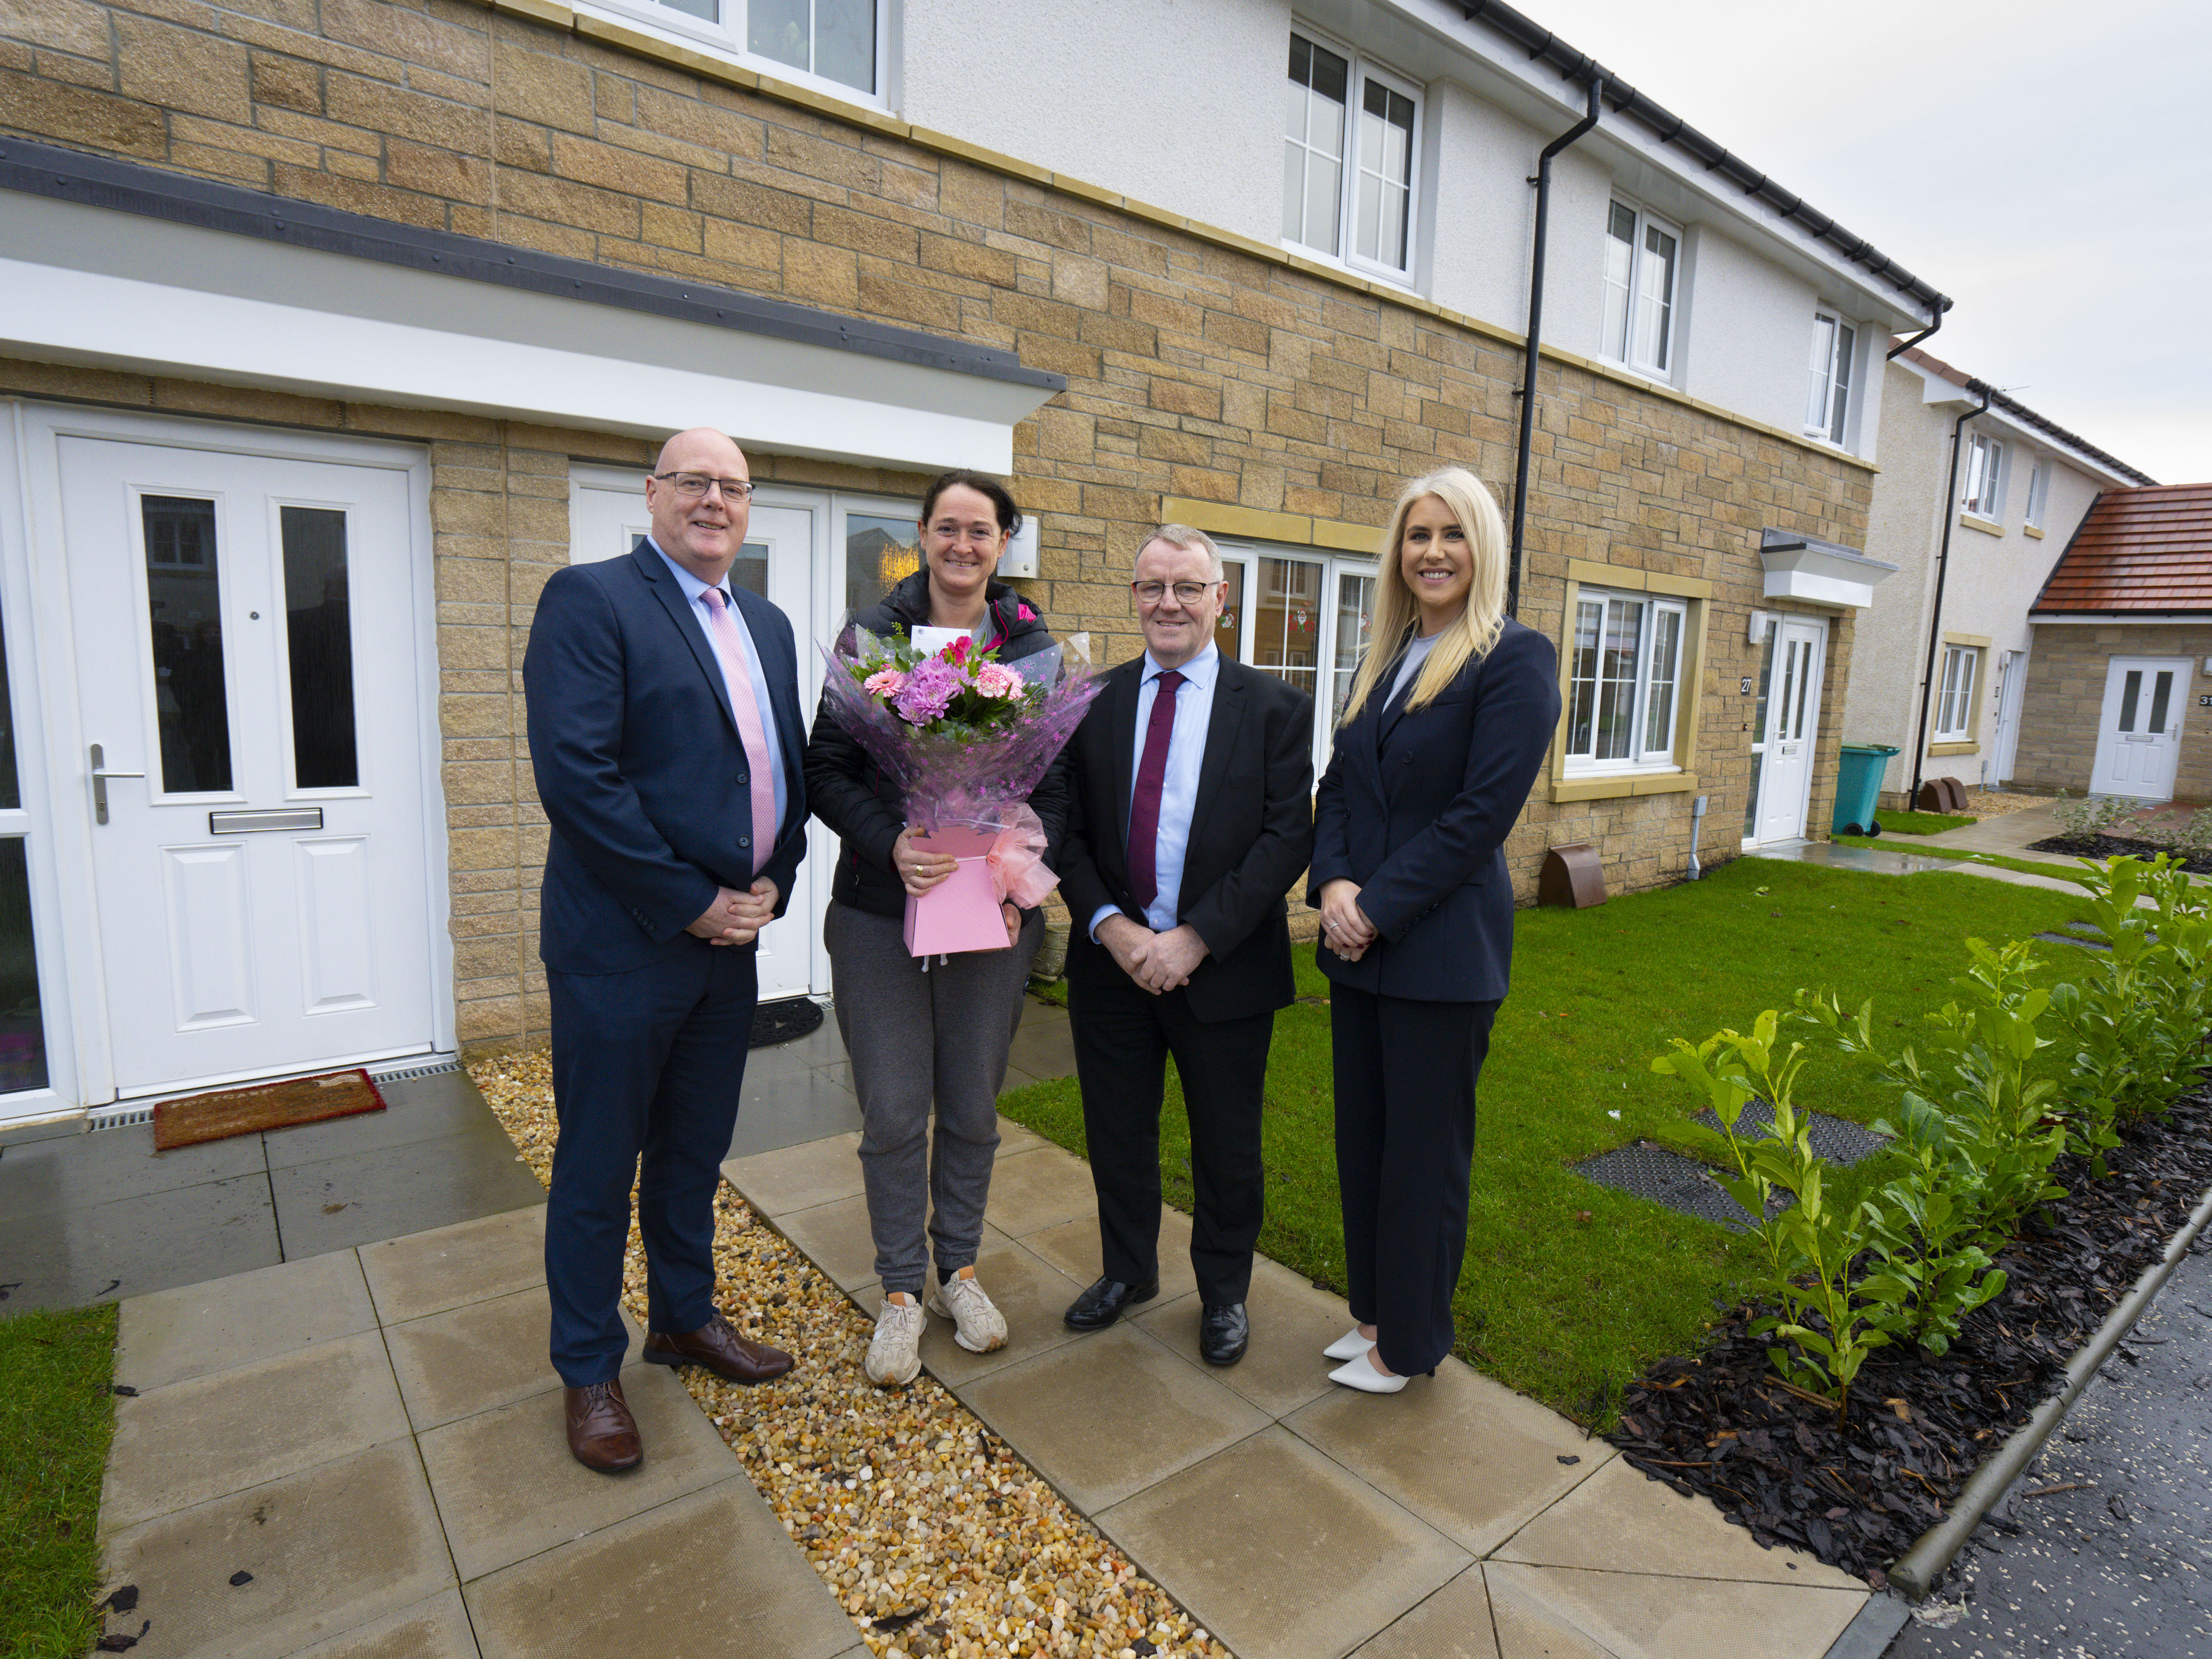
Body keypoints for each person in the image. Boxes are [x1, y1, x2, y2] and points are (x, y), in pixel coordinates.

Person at [523, 427, 808, 1470]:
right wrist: (691, 899)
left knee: (693, 1150)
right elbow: (578, 777)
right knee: (599, 1162)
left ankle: (685, 1316)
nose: (715, 501)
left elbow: (782, 763)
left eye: (733, 486)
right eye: (694, 481)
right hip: (623, 943)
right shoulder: (591, 600)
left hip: (728, 944)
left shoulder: (766, 621)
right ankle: (589, 1368)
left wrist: (781, 866)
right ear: (650, 493)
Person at [805, 470, 1070, 1387]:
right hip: (882, 910)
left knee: (968, 1103)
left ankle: (957, 1266)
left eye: (982, 531)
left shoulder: (1031, 649)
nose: (963, 545)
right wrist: (891, 845)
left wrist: (1019, 877)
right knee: (890, 1107)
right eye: (947, 528)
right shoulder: (869, 637)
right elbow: (827, 768)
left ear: (1004, 543)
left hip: (990, 915)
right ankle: (899, 1290)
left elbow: (1059, 790)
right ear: (922, 534)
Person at [1309, 467, 1559, 1394]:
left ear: (1482, 546)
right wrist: (1333, 880)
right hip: (1359, 954)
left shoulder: (1514, 658)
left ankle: (1410, 1346)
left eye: (1452, 533)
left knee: (1423, 1159)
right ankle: (1374, 1315)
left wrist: (1371, 906)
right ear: (1398, 554)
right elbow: (1338, 787)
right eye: (1418, 535)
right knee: (1365, 1143)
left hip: (1440, 957)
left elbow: (1479, 816)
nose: (1433, 552)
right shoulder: (1389, 656)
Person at [1055, 524, 1314, 1367]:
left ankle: (1224, 1293)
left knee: (1227, 1145)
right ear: (1133, 597)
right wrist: (1113, 927)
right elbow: (1067, 833)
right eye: (1152, 587)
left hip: (1224, 970)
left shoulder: (1274, 707)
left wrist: (1196, 936)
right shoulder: (1090, 702)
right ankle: (1128, 1271)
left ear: (1219, 599)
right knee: (1119, 1133)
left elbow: (1285, 839)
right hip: (1113, 966)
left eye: (1187, 587)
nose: (1168, 602)